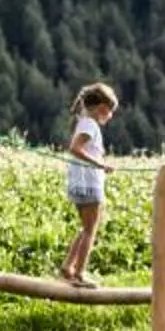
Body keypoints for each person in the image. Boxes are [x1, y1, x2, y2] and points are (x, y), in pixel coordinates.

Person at [59, 82, 119, 286]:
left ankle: (68, 266)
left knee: (87, 227)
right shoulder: (90, 125)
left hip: (80, 183)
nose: (110, 116)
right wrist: (101, 164)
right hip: (89, 184)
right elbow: (75, 148)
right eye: (111, 111)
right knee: (90, 230)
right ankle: (80, 274)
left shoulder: (83, 122)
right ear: (103, 108)